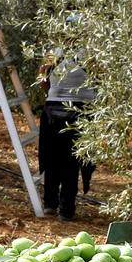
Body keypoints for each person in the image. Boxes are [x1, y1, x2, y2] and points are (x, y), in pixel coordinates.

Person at [38, 51, 97, 221]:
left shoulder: (53, 53)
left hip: (53, 109)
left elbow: (43, 81)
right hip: (80, 110)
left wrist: (55, 91)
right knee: (72, 162)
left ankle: (50, 203)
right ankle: (66, 209)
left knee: (51, 158)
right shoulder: (91, 53)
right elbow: (100, 80)